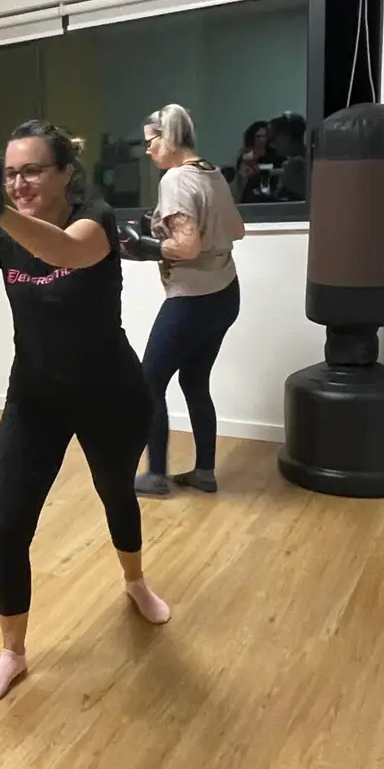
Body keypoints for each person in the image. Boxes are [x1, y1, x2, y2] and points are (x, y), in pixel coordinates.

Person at [0, 119, 169, 707]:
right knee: (8, 526)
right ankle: (13, 653)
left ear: (64, 173)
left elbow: (68, 252)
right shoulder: (3, 237)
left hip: (110, 392)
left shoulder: (95, 218)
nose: (19, 182)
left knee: (116, 495)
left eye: (31, 170)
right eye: (9, 173)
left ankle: (135, 582)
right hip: (35, 397)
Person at [123, 103, 243, 498]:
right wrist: (159, 225)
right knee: (194, 380)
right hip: (225, 293)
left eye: (150, 141)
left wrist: (146, 247)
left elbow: (187, 247)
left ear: (169, 137)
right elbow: (236, 230)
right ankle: (205, 472)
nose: (147, 150)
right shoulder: (213, 173)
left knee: (147, 383)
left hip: (192, 299)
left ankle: (155, 476)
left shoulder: (175, 179)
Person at [234, 119, 270, 199]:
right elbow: (243, 174)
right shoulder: (247, 154)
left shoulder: (274, 154)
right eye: (258, 136)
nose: (261, 139)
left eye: (264, 136)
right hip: (251, 194)